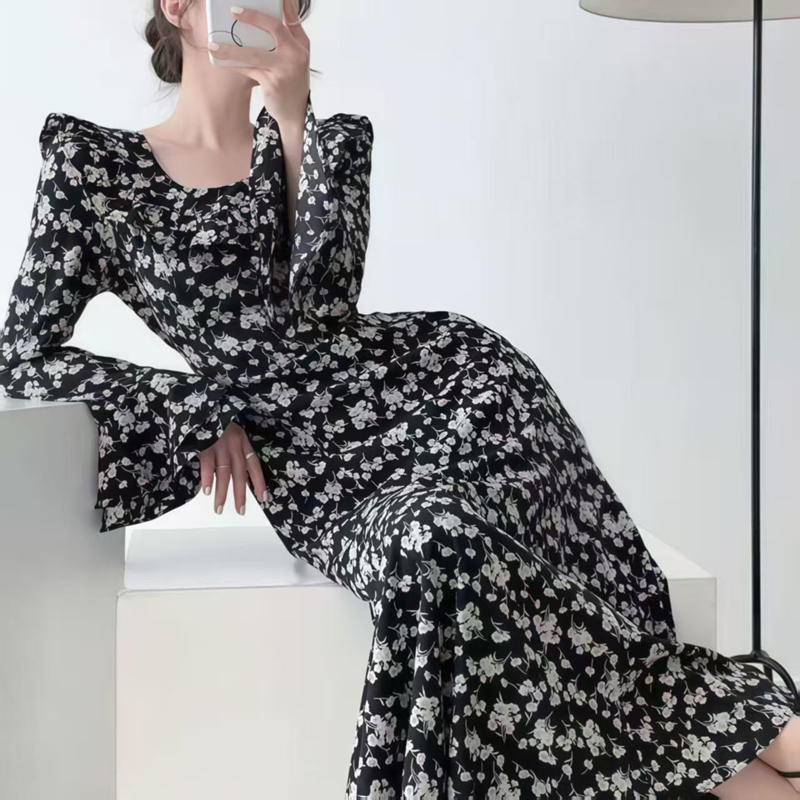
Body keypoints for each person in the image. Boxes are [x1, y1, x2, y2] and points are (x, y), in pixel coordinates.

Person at [0, 1, 798, 796]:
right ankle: (766, 742)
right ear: (178, 6)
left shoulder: (325, 143)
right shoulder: (95, 169)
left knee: (493, 564)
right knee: (438, 542)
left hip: (450, 386)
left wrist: (293, 116)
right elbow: (23, 353)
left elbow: (324, 306)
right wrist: (193, 408)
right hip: (316, 470)